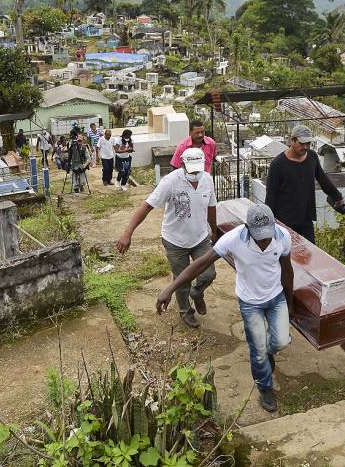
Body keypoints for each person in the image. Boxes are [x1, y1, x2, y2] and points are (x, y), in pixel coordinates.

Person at [156, 203, 293, 412]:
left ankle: (266, 352)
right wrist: (170, 289)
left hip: (276, 297)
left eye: (268, 235)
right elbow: (199, 264)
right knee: (257, 352)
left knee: (281, 341)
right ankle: (265, 387)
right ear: (248, 228)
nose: (265, 240)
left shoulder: (282, 237)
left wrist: (289, 303)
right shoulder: (234, 239)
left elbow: (287, 270)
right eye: (260, 236)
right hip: (249, 302)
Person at [118, 148, 218, 329]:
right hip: (175, 240)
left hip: (201, 237)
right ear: (182, 164)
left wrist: (214, 230)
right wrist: (128, 233)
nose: (195, 173)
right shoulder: (170, 182)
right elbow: (147, 206)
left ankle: (197, 293)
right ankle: (185, 311)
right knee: (181, 279)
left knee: (209, 273)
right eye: (191, 169)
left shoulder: (207, 180)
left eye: (198, 168)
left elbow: (212, 207)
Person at [265, 124, 345, 244]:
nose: (306, 147)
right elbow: (271, 195)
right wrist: (270, 224)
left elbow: (323, 179)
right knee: (287, 256)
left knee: (310, 254)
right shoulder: (278, 164)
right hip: (284, 222)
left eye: (308, 143)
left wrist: (337, 197)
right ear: (292, 141)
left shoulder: (312, 157)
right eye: (302, 143)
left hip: (305, 219)